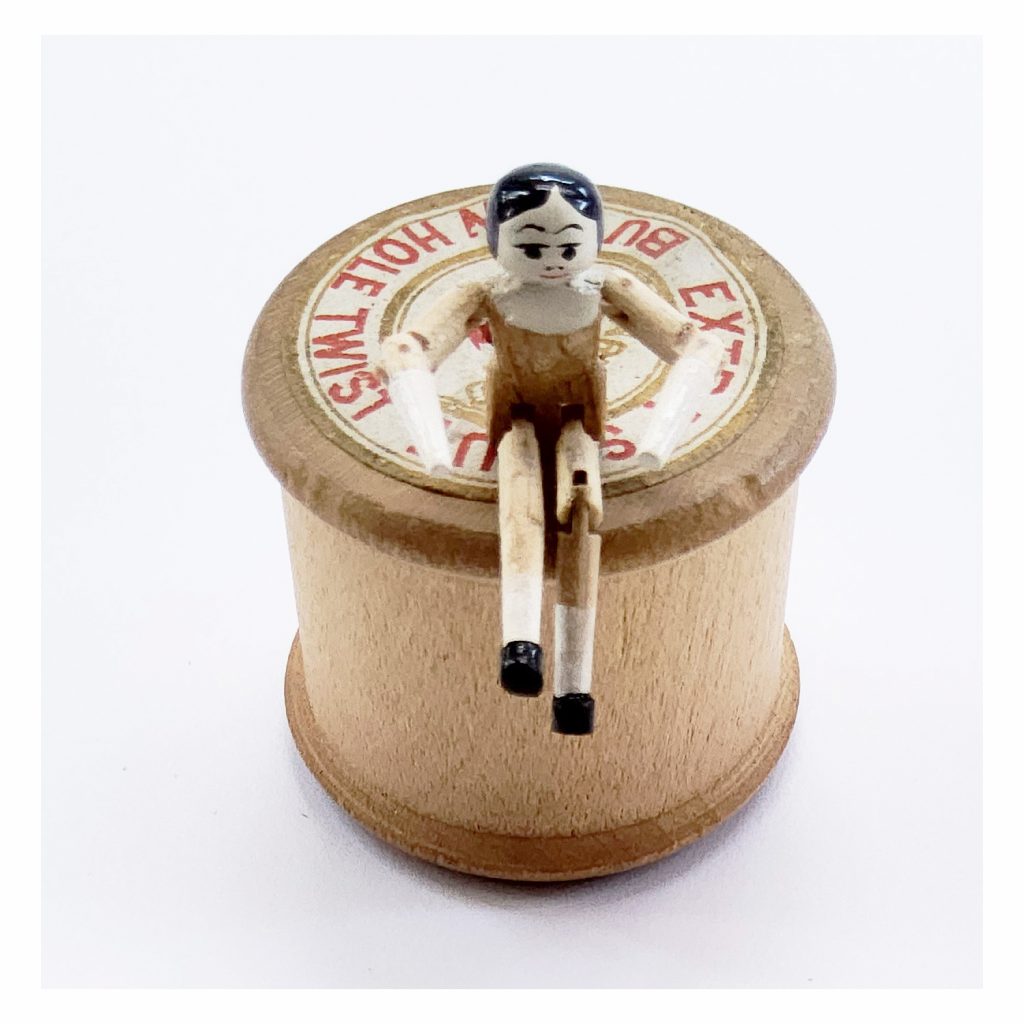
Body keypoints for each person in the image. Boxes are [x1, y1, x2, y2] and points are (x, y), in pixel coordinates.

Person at [380, 163, 724, 734]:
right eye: (532, 246)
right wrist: (420, 404)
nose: (553, 260)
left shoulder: (607, 288)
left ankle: (573, 686)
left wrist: (662, 432)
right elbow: (413, 344)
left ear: (595, 240)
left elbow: (691, 342)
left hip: (575, 414)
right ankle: (519, 643)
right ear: (498, 242)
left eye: (568, 246)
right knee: (519, 501)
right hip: (516, 410)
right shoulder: (487, 292)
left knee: (582, 512)